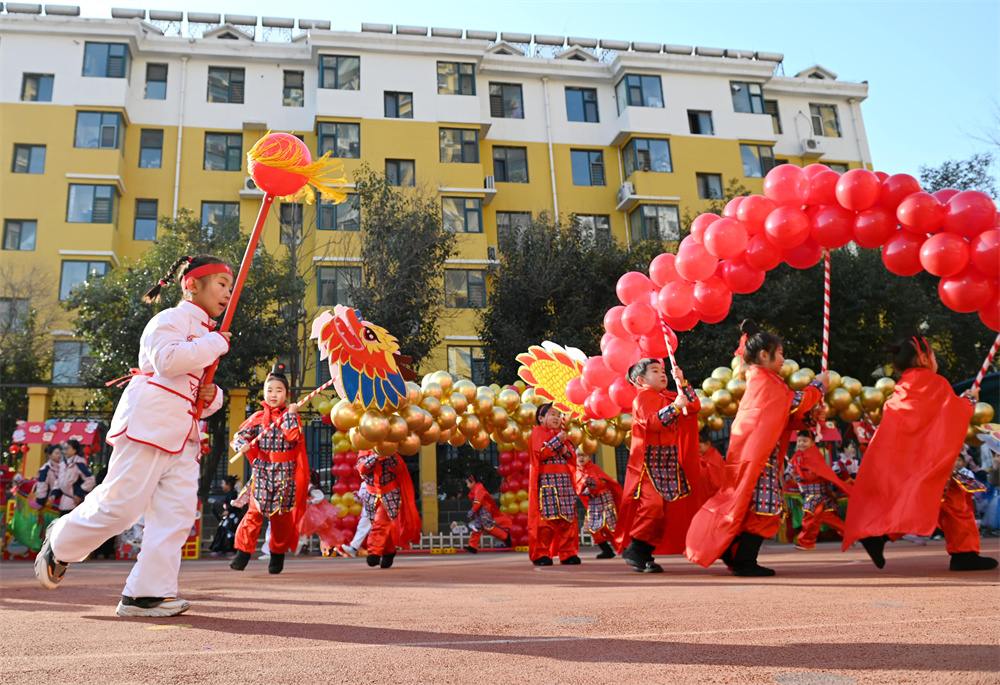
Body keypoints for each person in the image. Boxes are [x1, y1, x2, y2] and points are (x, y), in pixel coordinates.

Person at [34, 254, 233, 617]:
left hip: (184, 437)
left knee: (177, 516)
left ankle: (147, 594)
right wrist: (216, 344)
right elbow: (166, 362)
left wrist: (213, 396)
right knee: (121, 507)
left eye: (230, 287)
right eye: (221, 284)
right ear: (191, 285)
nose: (227, 294)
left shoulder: (207, 336)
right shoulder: (169, 319)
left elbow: (198, 392)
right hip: (149, 426)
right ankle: (60, 542)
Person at [843, 333, 998, 572]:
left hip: (914, 463)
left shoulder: (903, 387)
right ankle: (964, 554)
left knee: (919, 503)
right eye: (933, 354)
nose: (935, 358)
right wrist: (968, 401)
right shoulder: (933, 383)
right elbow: (952, 412)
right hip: (935, 464)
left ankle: (880, 538)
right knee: (954, 503)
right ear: (924, 358)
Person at [686, 319, 828, 577]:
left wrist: (810, 417)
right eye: (781, 352)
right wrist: (819, 386)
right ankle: (744, 562)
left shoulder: (762, 382)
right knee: (765, 509)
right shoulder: (768, 383)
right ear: (764, 354)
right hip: (760, 460)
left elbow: (784, 416)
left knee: (750, 509)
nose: (784, 358)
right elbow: (797, 402)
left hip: (755, 457)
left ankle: (734, 555)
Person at [614, 358, 701, 573]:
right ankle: (635, 549)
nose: (663, 374)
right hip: (648, 463)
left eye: (663, 371)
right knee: (651, 507)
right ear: (641, 380)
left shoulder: (668, 396)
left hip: (668, 462)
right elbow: (653, 423)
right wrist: (675, 407)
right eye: (655, 371)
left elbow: (694, 407)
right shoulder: (641, 398)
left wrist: (683, 382)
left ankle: (643, 553)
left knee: (663, 512)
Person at [229, 364, 310, 575]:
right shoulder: (256, 417)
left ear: (287, 394)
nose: (274, 394)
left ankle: (277, 554)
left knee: (280, 518)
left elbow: (293, 437)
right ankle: (242, 553)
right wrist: (241, 445)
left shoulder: (292, 418)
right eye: (270, 390)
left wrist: (291, 414)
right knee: (253, 513)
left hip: (285, 475)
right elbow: (238, 437)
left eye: (279, 390)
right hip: (262, 472)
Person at [526, 403, 580, 566]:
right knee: (545, 522)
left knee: (568, 520)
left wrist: (564, 448)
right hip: (546, 484)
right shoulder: (537, 434)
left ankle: (568, 552)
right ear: (541, 418)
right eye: (553, 414)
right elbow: (540, 455)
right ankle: (542, 554)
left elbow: (572, 458)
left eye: (559, 415)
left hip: (564, 484)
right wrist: (557, 441)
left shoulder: (563, 436)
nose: (557, 418)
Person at [356, 450, 421, 568]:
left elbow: (398, 469)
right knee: (381, 526)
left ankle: (374, 553)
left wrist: (388, 454)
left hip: (389, 494)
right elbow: (362, 469)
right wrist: (375, 457)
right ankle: (389, 551)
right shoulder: (364, 452)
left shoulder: (392, 452)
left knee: (380, 523)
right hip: (371, 496)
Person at [789, 431, 853, 550]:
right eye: (799, 441)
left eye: (804, 441)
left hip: (815, 492)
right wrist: (792, 474)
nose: (801, 443)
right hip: (810, 492)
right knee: (825, 516)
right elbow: (795, 470)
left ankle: (805, 542)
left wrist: (798, 477)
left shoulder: (812, 455)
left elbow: (814, 474)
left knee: (810, 515)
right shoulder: (798, 456)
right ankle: (850, 533)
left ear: (812, 442)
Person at [573, 449, 623, 559]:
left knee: (610, 527)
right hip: (593, 503)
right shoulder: (577, 472)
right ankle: (607, 550)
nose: (581, 458)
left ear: (589, 457)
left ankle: (624, 549)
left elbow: (601, 483)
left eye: (584, 455)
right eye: (578, 456)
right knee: (592, 527)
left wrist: (590, 483)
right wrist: (586, 489)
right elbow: (579, 488)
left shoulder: (593, 468)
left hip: (604, 500)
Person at [297, 470, 346, 556]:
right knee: (303, 528)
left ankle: (329, 545)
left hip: (312, 511)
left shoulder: (311, 488)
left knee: (319, 529)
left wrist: (311, 501)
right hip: (306, 511)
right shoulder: (305, 486)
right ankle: (304, 545)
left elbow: (320, 496)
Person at [463, 474, 512, 554]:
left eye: (468, 483)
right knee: (476, 528)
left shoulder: (478, 489)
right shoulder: (477, 488)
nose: (467, 485)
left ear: (473, 482)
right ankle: (472, 546)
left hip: (484, 512)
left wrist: (471, 512)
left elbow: (477, 503)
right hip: (480, 512)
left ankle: (505, 536)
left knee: (489, 529)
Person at [209, 475, 244, 557]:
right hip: (230, 518)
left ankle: (233, 550)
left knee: (231, 533)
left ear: (228, 484)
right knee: (223, 531)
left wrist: (228, 510)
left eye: (223, 483)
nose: (222, 485)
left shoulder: (233, 494)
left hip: (234, 518)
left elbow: (234, 505)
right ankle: (221, 549)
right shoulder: (230, 493)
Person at [58, 440, 95, 514]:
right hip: (64, 502)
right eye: (64, 448)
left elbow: (90, 480)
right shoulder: (63, 464)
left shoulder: (79, 464)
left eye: (67, 448)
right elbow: (59, 481)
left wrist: (79, 493)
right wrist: (53, 495)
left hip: (74, 502)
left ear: (75, 450)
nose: (65, 451)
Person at [338, 482, 372, 558]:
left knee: (371, 530)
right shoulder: (363, 484)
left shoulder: (376, 481)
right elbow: (361, 499)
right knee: (363, 528)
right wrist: (357, 496)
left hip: (377, 510)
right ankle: (354, 548)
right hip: (367, 511)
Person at [33, 444, 65, 511]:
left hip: (60, 501)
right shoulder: (45, 469)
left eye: (60, 453)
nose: (59, 455)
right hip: (48, 502)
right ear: (49, 455)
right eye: (56, 453)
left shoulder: (62, 468)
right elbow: (42, 485)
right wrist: (40, 501)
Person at [698, 431, 726, 500]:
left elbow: (718, 480)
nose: (697, 450)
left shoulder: (714, 456)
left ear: (708, 444)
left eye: (699, 447)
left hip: (715, 494)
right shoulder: (699, 457)